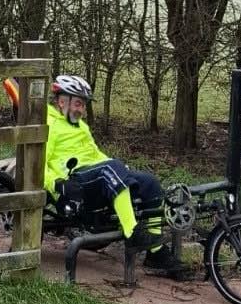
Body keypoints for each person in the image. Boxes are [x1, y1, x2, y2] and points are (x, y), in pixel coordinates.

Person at [45, 75, 189, 277]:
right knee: (111, 168)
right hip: (74, 179)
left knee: (150, 183)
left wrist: (121, 169)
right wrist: (57, 184)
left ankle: (155, 254)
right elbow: (39, 163)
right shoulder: (50, 125)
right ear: (62, 102)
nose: (82, 110)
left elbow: (96, 155)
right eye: (78, 104)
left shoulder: (80, 126)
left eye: (84, 105)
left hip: (99, 174)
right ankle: (133, 233)